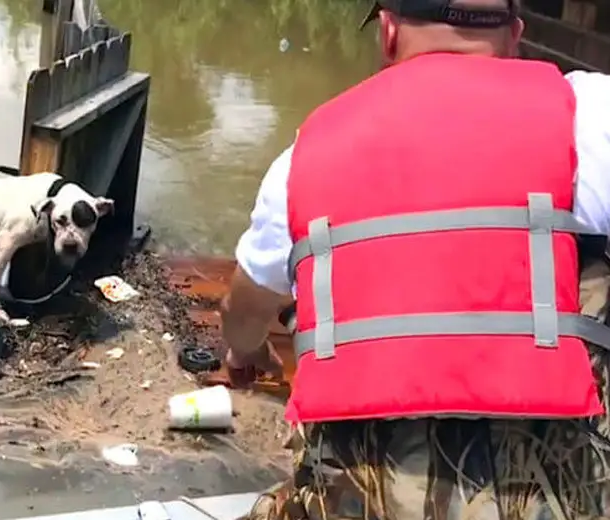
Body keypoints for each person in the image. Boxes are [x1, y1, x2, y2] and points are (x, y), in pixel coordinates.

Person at [221, 0, 610, 517]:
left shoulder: (306, 155)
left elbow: (243, 310)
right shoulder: (591, 117)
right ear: (515, 35)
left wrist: (246, 353)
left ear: (387, 33)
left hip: (366, 500)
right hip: (562, 490)